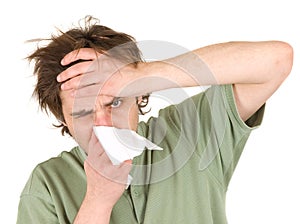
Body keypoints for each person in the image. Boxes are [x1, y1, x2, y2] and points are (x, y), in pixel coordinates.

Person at [17, 15, 293, 224]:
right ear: (63, 118)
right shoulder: (47, 185)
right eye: (84, 112)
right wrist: (97, 202)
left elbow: (277, 60)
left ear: (139, 95)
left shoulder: (190, 131)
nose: (105, 124)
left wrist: (139, 73)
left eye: (116, 101)